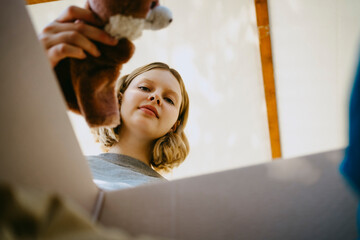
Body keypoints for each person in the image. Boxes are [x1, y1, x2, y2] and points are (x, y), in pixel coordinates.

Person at [39, 6, 190, 191]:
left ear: (174, 125)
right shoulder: (66, 166)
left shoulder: (174, 195)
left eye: (169, 100)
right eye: (144, 87)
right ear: (118, 99)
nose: (156, 97)